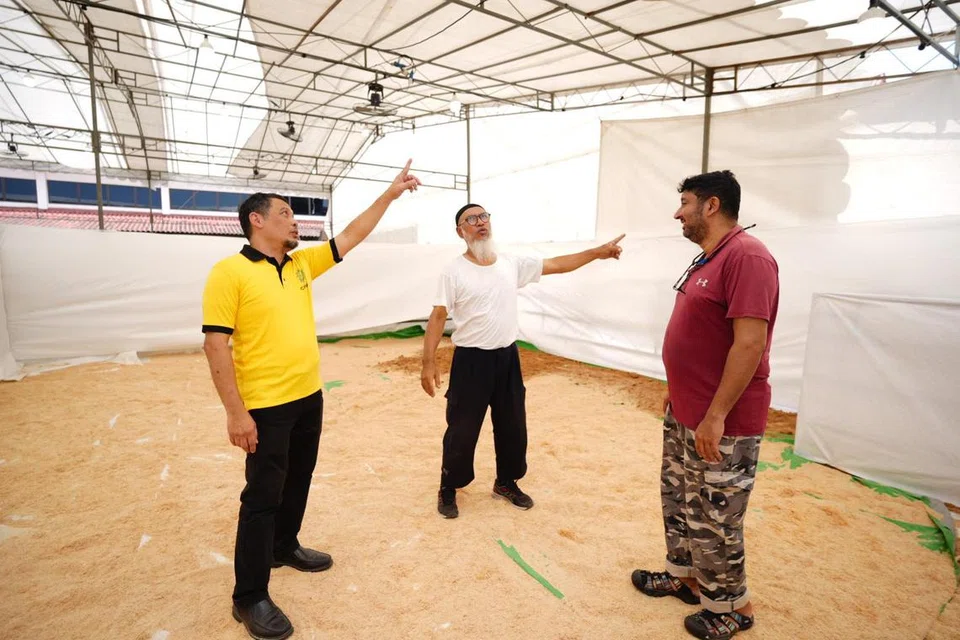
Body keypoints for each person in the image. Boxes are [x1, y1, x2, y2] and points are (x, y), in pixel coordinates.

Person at [201, 160, 421, 640]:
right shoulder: (229, 272)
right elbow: (215, 344)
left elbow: (353, 235)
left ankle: (284, 546)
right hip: (265, 404)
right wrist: (236, 413)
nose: (294, 219)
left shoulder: (300, 264)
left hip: (308, 396)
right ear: (257, 220)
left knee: (298, 478)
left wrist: (390, 194)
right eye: (284, 212)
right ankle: (249, 596)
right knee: (261, 496)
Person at [630, 170, 779, 640]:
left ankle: (734, 606)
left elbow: (749, 344)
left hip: (724, 421)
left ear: (711, 206)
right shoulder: (708, 258)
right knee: (679, 499)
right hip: (687, 411)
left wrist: (715, 414)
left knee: (716, 513)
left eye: (685, 203)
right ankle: (688, 578)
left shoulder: (748, 258)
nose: (678, 212)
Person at [421, 203, 625, 519]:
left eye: (484, 216)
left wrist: (597, 252)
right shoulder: (453, 271)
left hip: (507, 358)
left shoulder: (510, 263)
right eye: (470, 220)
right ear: (460, 231)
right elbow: (438, 315)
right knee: (461, 429)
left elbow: (557, 263)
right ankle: (449, 486)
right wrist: (428, 363)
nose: (480, 223)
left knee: (513, 425)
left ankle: (506, 482)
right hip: (470, 362)